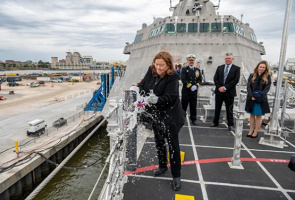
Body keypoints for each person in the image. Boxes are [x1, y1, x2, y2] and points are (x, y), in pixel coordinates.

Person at [138, 51, 185, 191]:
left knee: (173, 146)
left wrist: (157, 99)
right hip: (156, 115)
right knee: (159, 141)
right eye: (157, 65)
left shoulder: (173, 77)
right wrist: (142, 94)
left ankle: (176, 176)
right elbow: (142, 85)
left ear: (168, 65)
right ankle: (163, 166)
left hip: (170, 115)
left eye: (162, 65)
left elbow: (172, 96)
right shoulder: (151, 70)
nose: (158, 68)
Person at [210, 53, 240, 131]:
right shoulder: (220, 68)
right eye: (226, 58)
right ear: (224, 59)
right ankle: (215, 122)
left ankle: (230, 124)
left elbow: (235, 80)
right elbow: (215, 79)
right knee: (217, 108)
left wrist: (225, 88)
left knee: (229, 109)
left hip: (229, 92)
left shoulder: (236, 69)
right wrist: (219, 87)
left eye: (229, 58)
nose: (227, 59)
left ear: (232, 59)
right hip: (219, 91)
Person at [245, 60, 271, 138]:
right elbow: (248, 86)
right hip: (251, 98)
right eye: (260, 67)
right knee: (252, 114)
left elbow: (267, 89)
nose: (261, 68)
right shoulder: (252, 75)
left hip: (260, 100)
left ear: (266, 68)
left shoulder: (268, 77)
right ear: (257, 67)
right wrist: (251, 95)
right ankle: (250, 130)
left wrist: (259, 96)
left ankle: (256, 132)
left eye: (263, 67)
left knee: (258, 115)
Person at [181, 54, 202, 125]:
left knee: (193, 106)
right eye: (190, 60)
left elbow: (200, 79)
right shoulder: (184, 69)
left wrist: (196, 86)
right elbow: (183, 79)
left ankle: (193, 119)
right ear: (187, 61)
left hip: (194, 92)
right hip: (186, 91)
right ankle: (182, 119)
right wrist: (190, 86)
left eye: (192, 60)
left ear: (194, 61)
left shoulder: (197, 70)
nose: (191, 62)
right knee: (184, 106)